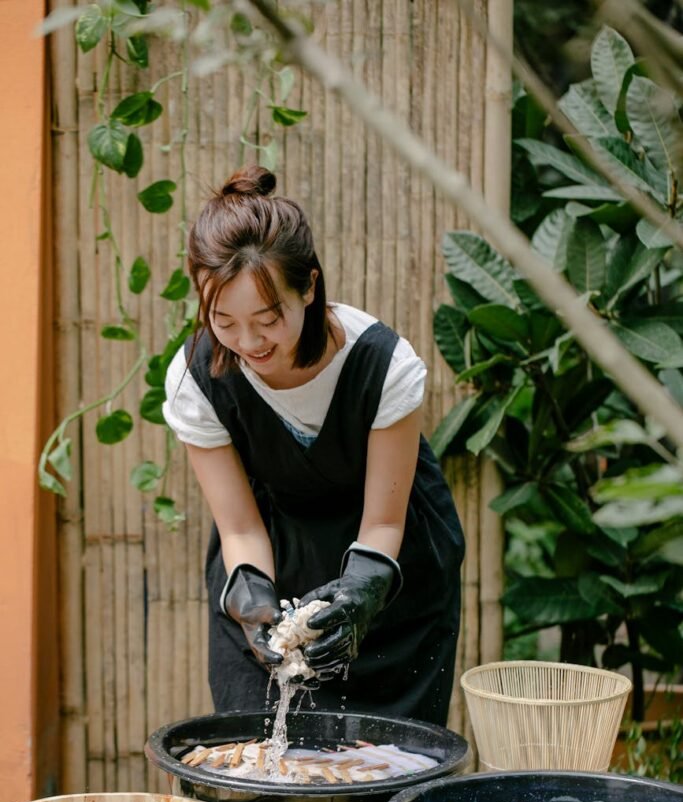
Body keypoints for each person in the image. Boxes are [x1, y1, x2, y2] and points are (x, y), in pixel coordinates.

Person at [163, 165, 465, 726]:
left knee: (390, 764)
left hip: (391, 567)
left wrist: (363, 593)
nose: (248, 342)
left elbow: (383, 524)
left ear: (308, 286)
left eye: (268, 318)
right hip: (272, 553)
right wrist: (254, 605)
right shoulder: (196, 379)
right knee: (256, 761)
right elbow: (240, 529)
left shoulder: (383, 365)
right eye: (223, 320)